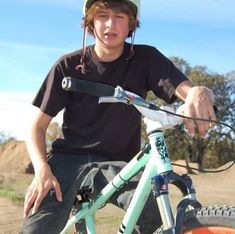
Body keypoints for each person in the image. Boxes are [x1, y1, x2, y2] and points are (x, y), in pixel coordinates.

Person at [20, 0, 216, 233]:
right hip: (68, 160)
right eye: (102, 16)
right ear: (91, 23)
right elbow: (36, 127)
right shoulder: (67, 66)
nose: (110, 24)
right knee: (37, 226)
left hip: (120, 163)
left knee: (152, 218)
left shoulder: (146, 59)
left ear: (130, 25)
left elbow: (186, 90)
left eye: (120, 17)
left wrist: (199, 92)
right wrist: (42, 169)